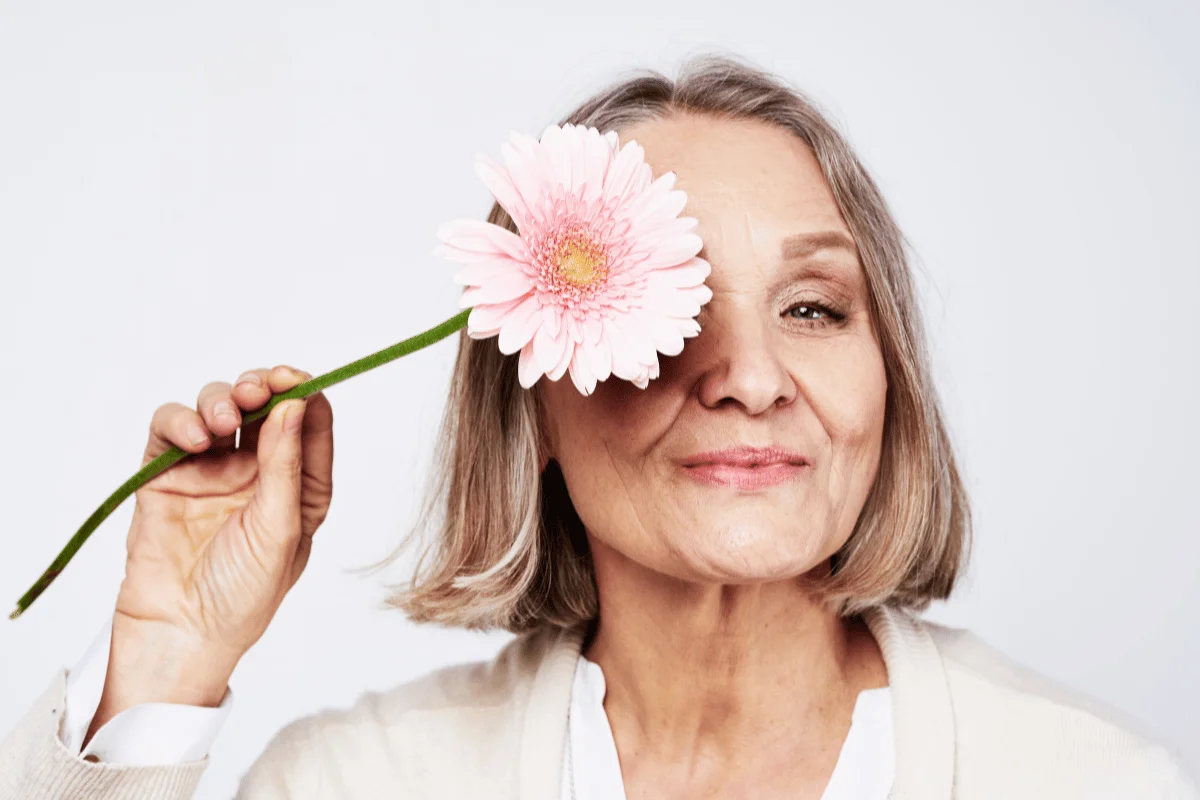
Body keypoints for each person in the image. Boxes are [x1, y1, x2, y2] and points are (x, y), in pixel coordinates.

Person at [1, 53, 1196, 800]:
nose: (751, 376)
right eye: (674, 317)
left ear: (891, 384)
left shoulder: (1093, 785)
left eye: (815, 307)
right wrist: (165, 666)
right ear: (537, 400)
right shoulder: (356, 782)